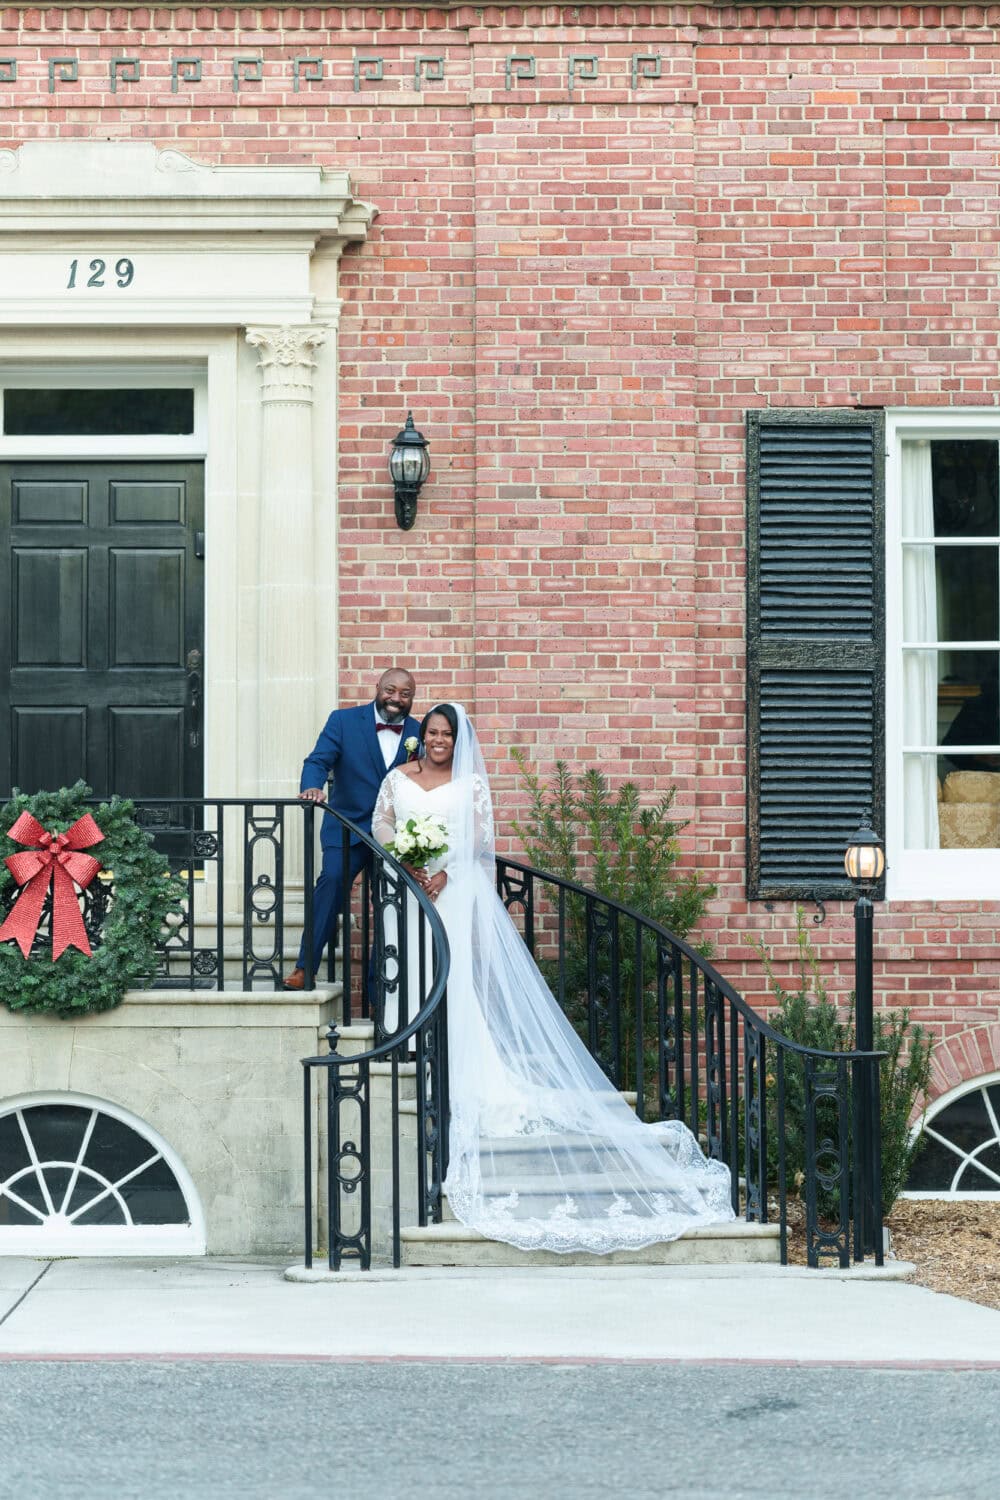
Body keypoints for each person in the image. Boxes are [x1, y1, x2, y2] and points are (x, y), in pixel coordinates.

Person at [371, 702, 735, 1255]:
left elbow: (479, 839)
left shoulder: (468, 783)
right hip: (410, 889)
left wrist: (442, 869)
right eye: (433, 733)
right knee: (412, 968)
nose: (440, 741)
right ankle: (410, 1048)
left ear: (457, 739)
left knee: (453, 978)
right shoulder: (398, 777)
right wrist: (407, 858)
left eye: (448, 734)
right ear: (421, 737)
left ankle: (451, 1062)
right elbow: (382, 823)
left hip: (453, 888)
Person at [283, 667, 420, 990]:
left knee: (389, 904)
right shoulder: (343, 721)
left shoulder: (419, 731)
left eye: (405, 694)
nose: (396, 698)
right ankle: (305, 968)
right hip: (346, 827)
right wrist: (313, 788)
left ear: (412, 697)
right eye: (390, 690)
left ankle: (379, 990)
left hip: (393, 836)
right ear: (377, 688)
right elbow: (317, 761)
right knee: (330, 884)